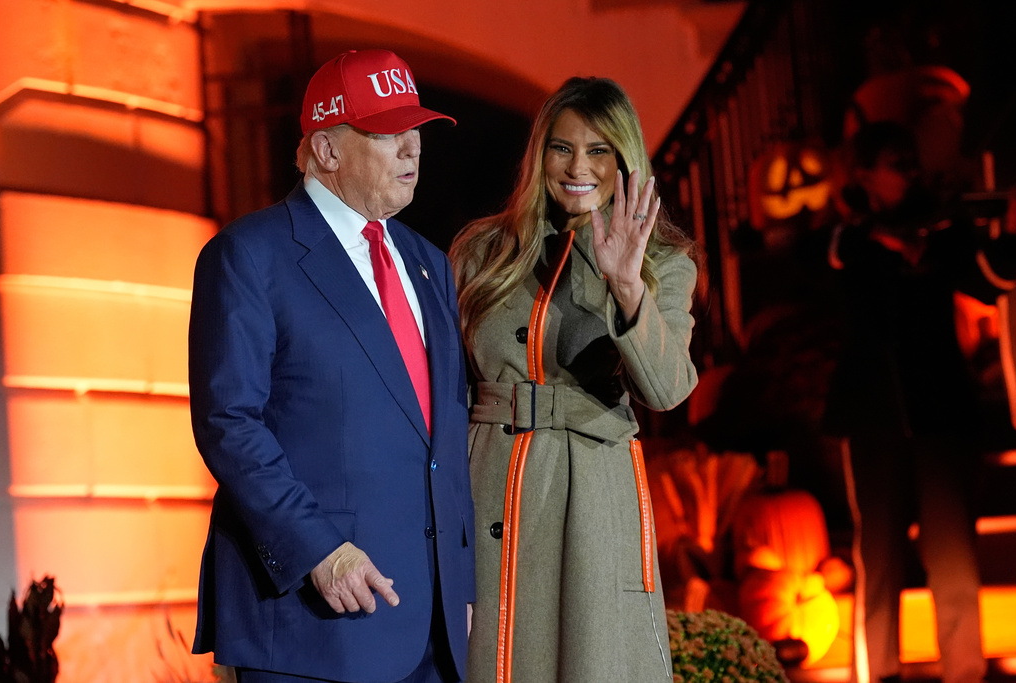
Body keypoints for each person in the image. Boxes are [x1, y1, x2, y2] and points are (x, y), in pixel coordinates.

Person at [188, 48, 474, 683]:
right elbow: (228, 423)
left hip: (434, 631)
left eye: (416, 130)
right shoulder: (248, 256)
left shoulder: (430, 262)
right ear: (327, 149)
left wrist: (463, 583)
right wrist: (318, 550)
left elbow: (444, 436)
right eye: (387, 133)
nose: (411, 149)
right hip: (314, 625)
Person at [449, 76, 699, 683]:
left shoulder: (663, 261)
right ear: (540, 155)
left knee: (592, 658)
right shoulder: (482, 250)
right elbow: (444, 382)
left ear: (625, 161)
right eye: (562, 148)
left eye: (598, 151)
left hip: (591, 489)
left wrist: (626, 285)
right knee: (491, 651)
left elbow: (667, 390)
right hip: (489, 477)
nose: (577, 166)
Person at [824, 121, 1016, 683]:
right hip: (873, 418)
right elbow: (842, 259)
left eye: (911, 157)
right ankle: (878, 673)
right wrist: (897, 239)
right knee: (879, 559)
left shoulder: (946, 229)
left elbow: (988, 280)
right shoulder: (849, 237)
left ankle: (965, 672)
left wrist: (1010, 235)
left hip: (941, 416)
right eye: (894, 160)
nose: (908, 169)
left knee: (954, 558)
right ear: (865, 173)